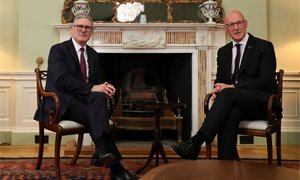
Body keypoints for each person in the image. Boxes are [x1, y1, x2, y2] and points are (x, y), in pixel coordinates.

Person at [34, 14, 137, 180]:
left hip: (85, 102)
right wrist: (94, 88)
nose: (83, 30)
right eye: (80, 26)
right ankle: (114, 166)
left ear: (91, 31)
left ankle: (103, 153)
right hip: (61, 102)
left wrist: (106, 88)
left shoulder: (93, 54)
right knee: (97, 114)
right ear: (72, 29)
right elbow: (62, 80)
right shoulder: (58, 50)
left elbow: (97, 83)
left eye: (87, 27)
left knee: (98, 98)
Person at [171, 10, 278, 160]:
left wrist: (231, 88)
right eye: (230, 24)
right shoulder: (223, 52)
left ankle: (196, 142)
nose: (236, 28)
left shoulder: (264, 47)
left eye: (239, 23)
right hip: (236, 103)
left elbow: (265, 81)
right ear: (225, 29)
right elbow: (220, 79)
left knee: (227, 94)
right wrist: (218, 88)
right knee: (230, 114)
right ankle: (225, 168)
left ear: (245, 23)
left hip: (261, 103)